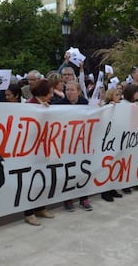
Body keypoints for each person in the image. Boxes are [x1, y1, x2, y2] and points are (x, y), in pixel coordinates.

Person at [55, 81, 93, 211]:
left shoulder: (84, 103)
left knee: (83, 170)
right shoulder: (59, 104)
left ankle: (84, 198)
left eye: (72, 90)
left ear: (78, 92)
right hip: (66, 143)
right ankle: (68, 199)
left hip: (81, 143)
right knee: (68, 171)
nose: (69, 93)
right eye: (67, 90)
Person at [23, 79, 55, 226]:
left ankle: (40, 208)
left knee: (43, 179)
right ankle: (28, 213)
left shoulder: (46, 106)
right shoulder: (29, 106)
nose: (51, 96)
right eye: (49, 93)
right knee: (31, 181)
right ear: (43, 92)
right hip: (31, 151)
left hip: (44, 149)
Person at [100, 89, 123, 202]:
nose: (119, 96)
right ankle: (105, 191)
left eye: (120, 94)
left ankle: (112, 188)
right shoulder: (107, 106)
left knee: (115, 165)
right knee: (107, 165)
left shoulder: (121, 107)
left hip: (118, 138)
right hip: (108, 141)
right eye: (117, 95)